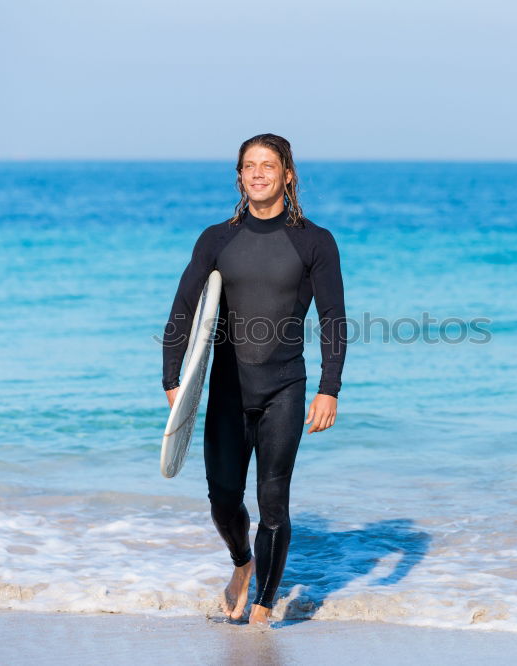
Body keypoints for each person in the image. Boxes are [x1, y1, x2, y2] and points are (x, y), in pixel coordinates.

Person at [162, 133, 347, 626]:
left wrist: (330, 388)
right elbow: (184, 309)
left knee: (273, 500)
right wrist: (171, 378)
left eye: (269, 165)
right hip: (226, 388)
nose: (259, 173)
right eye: (249, 165)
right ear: (240, 176)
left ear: (288, 174)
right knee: (222, 500)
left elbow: (334, 318)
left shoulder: (314, 241)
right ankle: (242, 563)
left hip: (284, 386)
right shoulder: (217, 239)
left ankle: (263, 610)